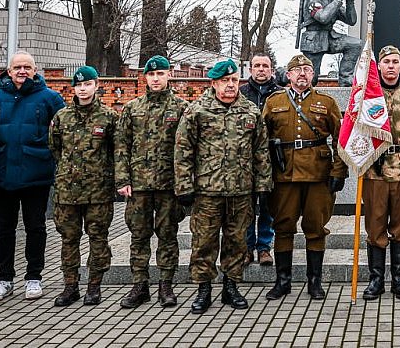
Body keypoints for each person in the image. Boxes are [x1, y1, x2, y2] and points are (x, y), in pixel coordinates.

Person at [175, 60, 272, 313]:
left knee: (237, 242)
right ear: (214, 83)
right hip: (207, 191)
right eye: (225, 81)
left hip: (241, 191)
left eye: (234, 80)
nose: (231, 85)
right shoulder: (197, 111)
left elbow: (261, 151)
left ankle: (231, 287)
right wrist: (184, 186)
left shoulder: (250, 111)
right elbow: (183, 150)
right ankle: (204, 289)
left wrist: (263, 184)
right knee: (204, 242)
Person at [260, 54, 347, 301]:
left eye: (307, 70)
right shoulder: (274, 101)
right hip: (284, 174)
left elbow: (340, 139)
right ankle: (282, 281)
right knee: (283, 226)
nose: (302, 74)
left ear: (312, 75)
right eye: (296, 70)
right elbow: (260, 142)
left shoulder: (326, 102)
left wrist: (338, 171)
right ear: (288, 75)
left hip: (318, 175)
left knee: (316, 228)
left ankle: (314, 281)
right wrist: (264, 177)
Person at [0, 51, 65, 303]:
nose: (22, 71)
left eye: (27, 67)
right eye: (17, 67)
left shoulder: (50, 98)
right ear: (8, 71)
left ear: (35, 70)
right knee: (4, 230)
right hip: (2, 175)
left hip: (36, 176)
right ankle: (4, 279)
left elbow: (62, 135)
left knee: (36, 228)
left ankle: (34, 277)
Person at [114, 55, 189, 308]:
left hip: (169, 185)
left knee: (168, 235)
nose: (156, 78)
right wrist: (123, 179)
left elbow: (188, 148)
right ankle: (140, 285)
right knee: (139, 236)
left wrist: (184, 183)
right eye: (151, 74)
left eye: (160, 74)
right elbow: (121, 146)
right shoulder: (132, 108)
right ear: (145, 77)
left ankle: (165, 286)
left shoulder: (181, 108)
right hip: (139, 185)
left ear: (169, 75)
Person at [48, 66, 118, 307]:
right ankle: (70, 286)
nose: (83, 89)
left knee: (98, 238)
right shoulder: (61, 117)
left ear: (96, 85)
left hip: (98, 191)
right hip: (67, 192)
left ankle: (94, 286)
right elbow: (55, 149)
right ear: (73, 88)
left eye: (87, 84)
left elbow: (115, 152)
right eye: (79, 85)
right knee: (69, 239)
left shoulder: (109, 117)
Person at [361, 46, 400, 300]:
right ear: (379, 66)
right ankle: (376, 279)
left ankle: (399, 278)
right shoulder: (366, 98)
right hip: (374, 171)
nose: (390, 66)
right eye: (386, 61)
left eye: (395, 61)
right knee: (375, 227)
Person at [240, 51, 281, 267]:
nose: (261, 69)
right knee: (246, 207)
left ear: (272, 70)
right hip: (245, 161)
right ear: (251, 69)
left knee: (267, 206)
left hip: (271, 160)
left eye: (265, 66)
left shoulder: (281, 95)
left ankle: (264, 247)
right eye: (257, 66)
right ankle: (247, 248)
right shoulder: (240, 93)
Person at [296, 0, 361, 86]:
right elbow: (323, 18)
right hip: (314, 40)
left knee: (355, 44)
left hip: (330, 37)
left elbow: (351, 20)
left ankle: (346, 80)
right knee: (311, 79)